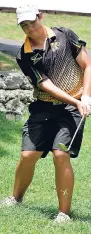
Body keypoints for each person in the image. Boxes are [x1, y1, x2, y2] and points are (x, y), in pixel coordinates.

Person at [1, 2, 91, 223]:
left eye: (32, 22)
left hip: (71, 109)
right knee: (27, 155)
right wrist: (76, 100)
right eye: (24, 26)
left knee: (61, 155)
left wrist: (85, 96)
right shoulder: (25, 55)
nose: (29, 28)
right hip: (44, 106)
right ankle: (16, 197)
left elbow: (87, 64)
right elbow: (46, 85)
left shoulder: (65, 35)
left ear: (40, 16)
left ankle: (64, 214)